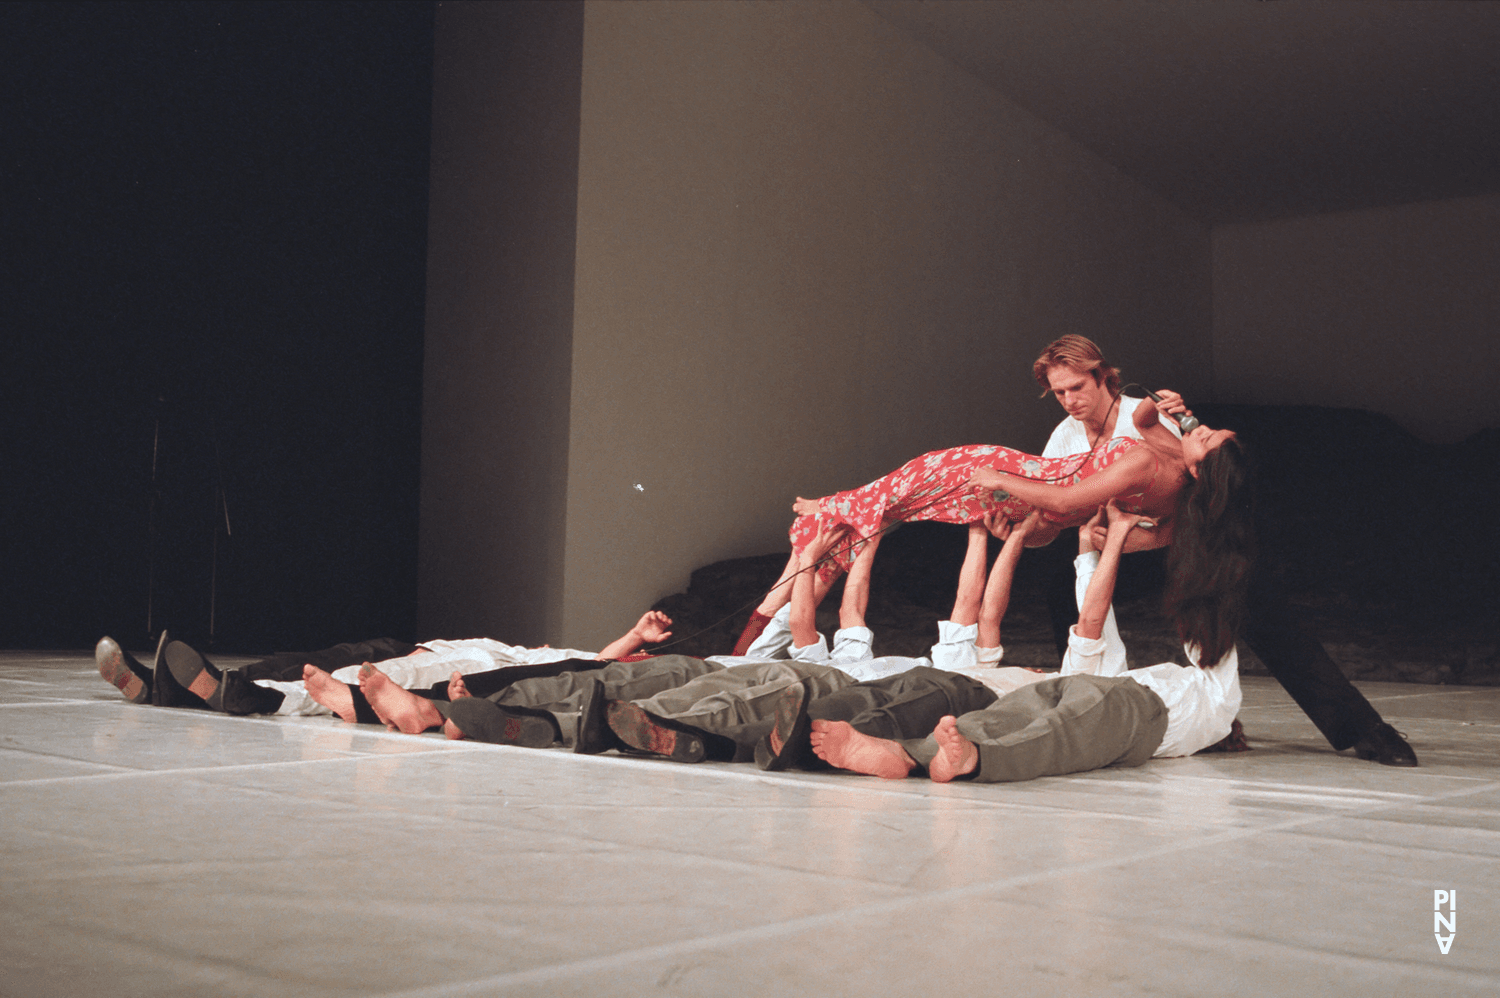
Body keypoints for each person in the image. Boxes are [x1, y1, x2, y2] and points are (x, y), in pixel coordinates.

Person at [1032, 334, 1416, 766]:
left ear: (1103, 377)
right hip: (1123, 546)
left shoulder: (1149, 412)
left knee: (1265, 616)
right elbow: (1054, 514)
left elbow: (1205, 488)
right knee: (1065, 587)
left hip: (1187, 539)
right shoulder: (1064, 438)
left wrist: (1144, 525)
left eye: (1076, 387)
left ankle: (1366, 730)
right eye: (1058, 392)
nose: (1068, 400)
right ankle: (1084, 703)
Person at [732, 389, 1237, 654]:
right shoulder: (1176, 462)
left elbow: (1065, 503)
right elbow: (1145, 423)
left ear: (1202, 467)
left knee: (885, 499)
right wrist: (1163, 405)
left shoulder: (1150, 468)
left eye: (1209, 438)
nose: (1204, 428)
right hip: (1017, 488)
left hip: (1017, 482)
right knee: (872, 511)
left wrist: (998, 478)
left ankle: (834, 507)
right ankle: (748, 645)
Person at [807, 501, 1238, 783]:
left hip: (1125, 705)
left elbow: (1101, 617)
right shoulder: (1209, 704)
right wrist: (1092, 543)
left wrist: (1114, 540)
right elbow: (1095, 616)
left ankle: (957, 756)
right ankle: (913, 754)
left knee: (1052, 728)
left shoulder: (1218, 708)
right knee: (1026, 716)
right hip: (1095, 693)